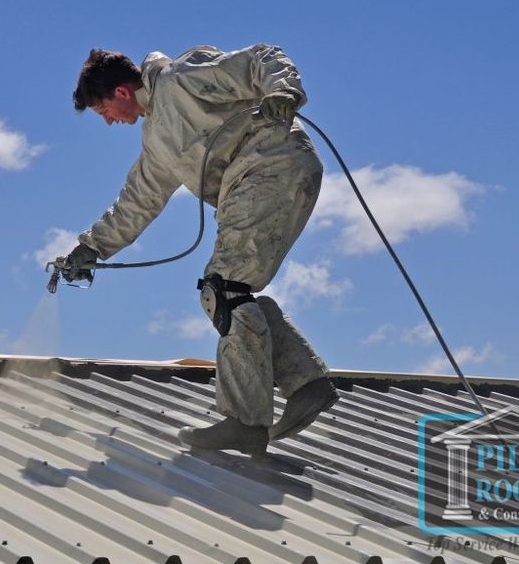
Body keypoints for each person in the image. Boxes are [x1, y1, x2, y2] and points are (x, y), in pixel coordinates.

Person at [62, 44, 339, 455]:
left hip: (271, 161)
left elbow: (260, 57)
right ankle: (306, 383)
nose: (108, 121)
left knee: (224, 290)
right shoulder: (156, 141)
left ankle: (246, 421)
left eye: (103, 110)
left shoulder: (180, 81)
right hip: (261, 180)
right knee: (232, 292)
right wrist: (91, 248)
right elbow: (137, 201)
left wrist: (283, 92)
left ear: (121, 92)